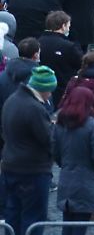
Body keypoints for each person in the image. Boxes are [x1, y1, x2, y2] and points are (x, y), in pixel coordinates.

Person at [1, 65, 57, 235]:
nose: (50, 95)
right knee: (33, 218)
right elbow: (49, 140)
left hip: (11, 166)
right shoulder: (34, 108)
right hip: (33, 171)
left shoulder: (12, 100)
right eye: (50, 90)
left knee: (13, 215)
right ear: (43, 89)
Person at [52, 86, 94, 235]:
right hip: (86, 181)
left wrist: (65, 164)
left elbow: (55, 150)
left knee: (67, 225)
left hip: (66, 179)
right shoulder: (90, 124)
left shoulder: (60, 123)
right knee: (80, 227)